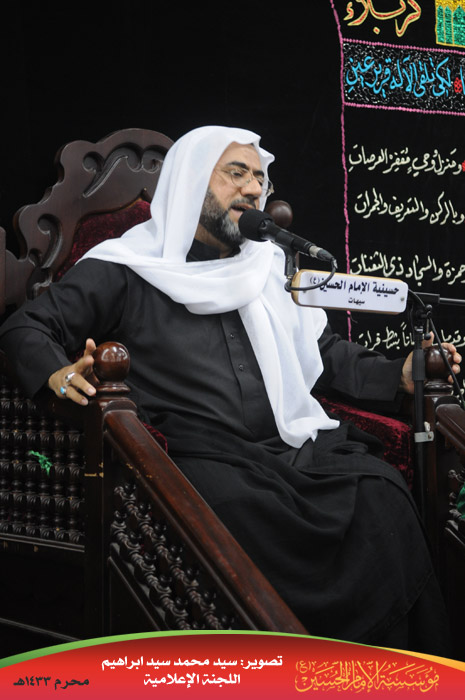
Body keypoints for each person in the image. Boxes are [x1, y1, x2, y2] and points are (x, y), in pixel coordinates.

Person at [0, 126, 461, 655]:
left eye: (260, 179)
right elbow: (26, 328)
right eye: (236, 174)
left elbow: (322, 352)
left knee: (381, 491)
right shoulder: (127, 267)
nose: (253, 189)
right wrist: (58, 374)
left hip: (290, 451)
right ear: (192, 183)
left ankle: (389, 670)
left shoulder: (268, 267)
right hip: (201, 456)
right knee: (239, 508)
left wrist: (398, 374)